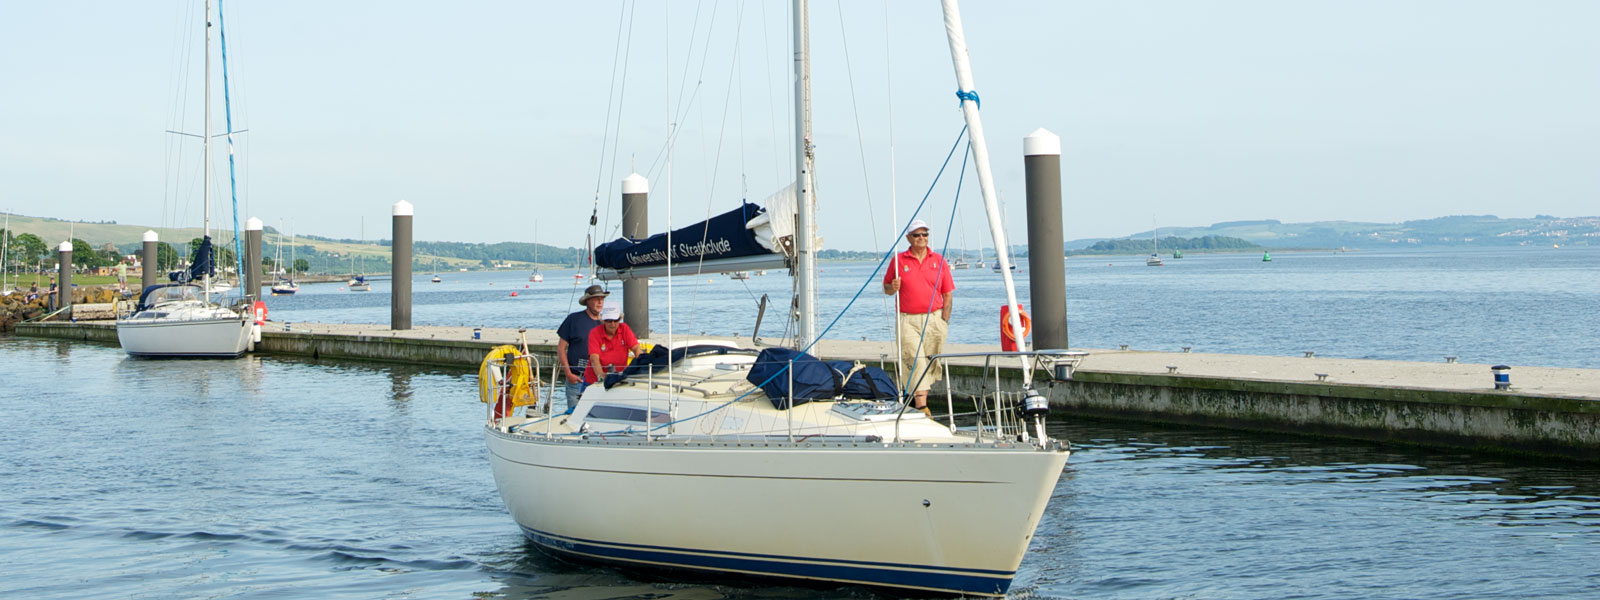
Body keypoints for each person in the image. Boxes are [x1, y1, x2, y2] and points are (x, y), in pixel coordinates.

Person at [882, 219, 954, 415]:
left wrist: (944, 320)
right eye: (917, 235)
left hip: (934, 319)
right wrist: (892, 288)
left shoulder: (939, 260)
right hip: (908, 319)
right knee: (916, 360)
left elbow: (948, 293)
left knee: (930, 361)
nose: (921, 238)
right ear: (908, 238)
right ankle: (922, 406)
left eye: (924, 234)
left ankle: (918, 400)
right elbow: (886, 288)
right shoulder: (898, 261)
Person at [556, 285, 608, 410]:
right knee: (574, 417)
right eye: (596, 299)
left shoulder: (608, 322)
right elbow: (561, 348)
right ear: (587, 301)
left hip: (600, 380)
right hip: (577, 379)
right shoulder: (573, 319)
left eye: (602, 298)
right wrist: (568, 374)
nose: (600, 302)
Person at [587, 303, 643, 386]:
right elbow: (594, 358)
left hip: (619, 379)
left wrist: (643, 365)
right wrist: (601, 375)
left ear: (620, 319)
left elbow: (636, 348)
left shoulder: (624, 329)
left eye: (616, 320)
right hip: (594, 380)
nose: (613, 324)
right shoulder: (594, 333)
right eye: (609, 320)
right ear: (603, 320)